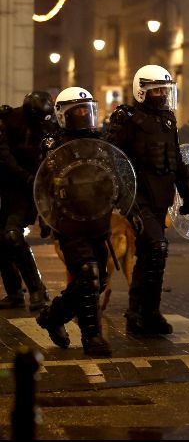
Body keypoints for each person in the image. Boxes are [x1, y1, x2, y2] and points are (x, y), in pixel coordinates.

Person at [104, 64, 189, 336]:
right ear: (142, 90)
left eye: (164, 90)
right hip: (139, 199)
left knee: (151, 254)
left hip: (161, 198)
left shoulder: (168, 120)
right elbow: (114, 162)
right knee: (156, 246)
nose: (161, 94)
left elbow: (176, 162)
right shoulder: (126, 118)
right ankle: (142, 312)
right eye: (156, 89)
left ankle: (144, 312)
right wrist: (127, 203)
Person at [35, 87, 114, 356]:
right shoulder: (54, 146)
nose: (83, 115)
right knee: (87, 275)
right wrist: (46, 217)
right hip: (69, 224)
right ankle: (92, 338)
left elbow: (114, 178)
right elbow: (43, 185)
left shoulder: (100, 143)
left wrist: (131, 209)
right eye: (77, 110)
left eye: (86, 109)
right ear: (63, 115)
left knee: (97, 280)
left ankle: (52, 317)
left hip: (97, 222)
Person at [0, 91, 56, 311]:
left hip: (30, 189)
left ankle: (37, 289)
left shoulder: (47, 124)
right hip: (11, 184)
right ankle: (14, 292)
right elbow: (4, 154)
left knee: (12, 234)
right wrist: (24, 175)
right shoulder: (10, 120)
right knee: (1, 240)